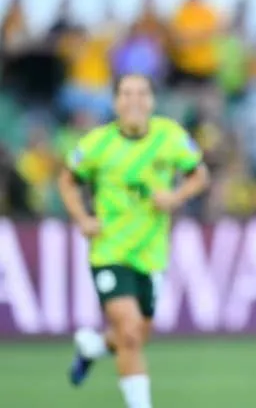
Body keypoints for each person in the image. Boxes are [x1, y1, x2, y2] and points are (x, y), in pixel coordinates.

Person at [58, 74, 210, 408]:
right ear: (115, 102)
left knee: (135, 335)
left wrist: (176, 196)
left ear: (152, 101)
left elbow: (200, 174)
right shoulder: (97, 144)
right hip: (110, 250)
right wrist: (83, 218)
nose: (134, 100)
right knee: (129, 333)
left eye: (142, 92)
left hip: (152, 254)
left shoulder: (170, 137)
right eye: (126, 93)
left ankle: (92, 347)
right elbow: (67, 180)